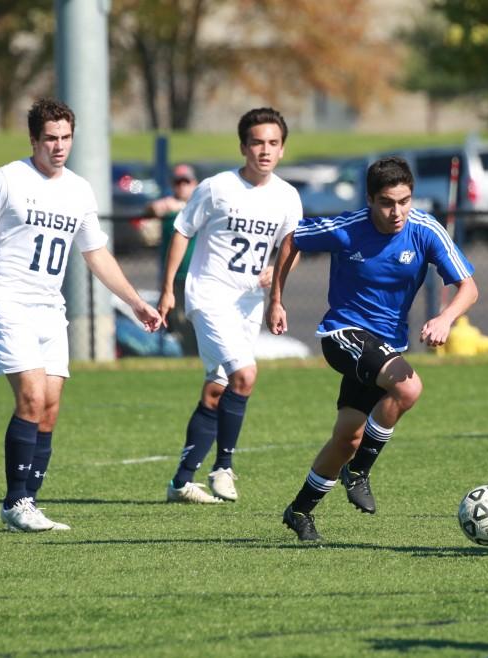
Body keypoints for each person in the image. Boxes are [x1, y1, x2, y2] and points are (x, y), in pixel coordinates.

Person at [0, 98, 162, 532]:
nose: (59, 146)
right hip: (7, 301)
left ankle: (29, 502)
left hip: (50, 309)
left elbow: (96, 254)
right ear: (34, 139)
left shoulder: (78, 189)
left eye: (66, 138)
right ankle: (16, 502)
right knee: (32, 398)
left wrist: (135, 301)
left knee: (50, 409)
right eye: (50, 138)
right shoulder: (6, 180)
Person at [267, 156, 478, 542]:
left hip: (385, 348)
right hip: (342, 334)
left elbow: (468, 287)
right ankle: (361, 469)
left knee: (347, 436)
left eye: (404, 200)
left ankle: (299, 510)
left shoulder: (424, 230)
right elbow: (293, 238)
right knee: (409, 387)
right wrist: (276, 301)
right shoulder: (348, 228)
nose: (397, 211)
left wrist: (445, 318)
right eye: (386, 202)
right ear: (370, 199)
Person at [158, 108, 302, 505]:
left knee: (216, 390)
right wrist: (169, 289)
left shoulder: (287, 196)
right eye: (257, 142)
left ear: (283, 149)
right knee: (246, 375)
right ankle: (223, 466)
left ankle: (181, 483)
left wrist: (276, 292)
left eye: (273, 143)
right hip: (209, 297)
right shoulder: (217, 187)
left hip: (248, 303)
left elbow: (290, 249)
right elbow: (182, 231)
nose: (265, 150)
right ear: (243, 147)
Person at [149, 163, 199, 355]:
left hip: (198, 276)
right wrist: (158, 206)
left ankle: (199, 356)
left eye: (186, 182)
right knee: (179, 322)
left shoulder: (199, 205)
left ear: (194, 183)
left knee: (198, 320)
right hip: (176, 277)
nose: (182, 187)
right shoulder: (168, 207)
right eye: (178, 182)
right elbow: (151, 209)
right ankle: (191, 356)